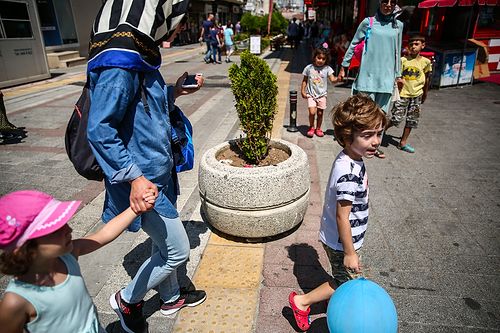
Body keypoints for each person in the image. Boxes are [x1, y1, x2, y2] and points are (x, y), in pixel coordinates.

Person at [86, 2, 206, 333]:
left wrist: (175, 92)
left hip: (157, 172)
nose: (180, 26)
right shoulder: (120, 63)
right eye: (178, 19)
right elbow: (99, 130)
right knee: (177, 250)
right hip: (143, 181)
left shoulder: (139, 56)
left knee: (163, 243)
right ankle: (128, 300)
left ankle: (169, 299)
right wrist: (135, 179)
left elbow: (143, 108)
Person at [288, 95, 387, 331]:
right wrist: (350, 252)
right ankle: (301, 302)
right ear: (346, 137)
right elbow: (342, 215)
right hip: (342, 241)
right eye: (367, 136)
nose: (375, 142)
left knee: (344, 278)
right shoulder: (348, 173)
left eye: (378, 133)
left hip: (340, 238)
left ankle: (335, 302)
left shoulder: (351, 157)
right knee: (346, 283)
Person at [0, 189, 155, 333]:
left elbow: (103, 235)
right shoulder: (15, 302)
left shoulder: (67, 256)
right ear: (25, 247)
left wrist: (135, 209)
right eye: (56, 228)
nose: (69, 230)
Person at [338, 0, 403, 158]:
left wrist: (398, 74)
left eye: (392, 2)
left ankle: (374, 147)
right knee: (361, 114)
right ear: (379, 3)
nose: (388, 5)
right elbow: (354, 43)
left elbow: (398, 50)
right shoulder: (368, 22)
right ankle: (353, 144)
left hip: (386, 79)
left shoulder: (398, 25)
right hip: (367, 77)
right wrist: (344, 65)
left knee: (380, 117)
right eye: (385, 2)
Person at [386, 35, 432, 153]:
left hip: (417, 95)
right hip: (403, 95)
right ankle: (380, 131)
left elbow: (426, 79)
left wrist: (425, 93)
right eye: (411, 44)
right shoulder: (403, 60)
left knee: (412, 120)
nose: (413, 47)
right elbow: (396, 76)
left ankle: (403, 142)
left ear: (423, 45)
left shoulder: (426, 62)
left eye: (416, 44)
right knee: (396, 118)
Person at [301, 44, 337, 138]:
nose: (320, 60)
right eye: (319, 58)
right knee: (312, 112)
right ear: (314, 57)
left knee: (320, 113)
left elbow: (333, 80)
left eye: (323, 59)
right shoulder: (309, 68)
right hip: (311, 94)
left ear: (326, 60)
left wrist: (339, 79)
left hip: (322, 95)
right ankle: (311, 127)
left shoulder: (327, 69)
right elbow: (304, 80)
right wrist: (303, 91)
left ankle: (318, 128)